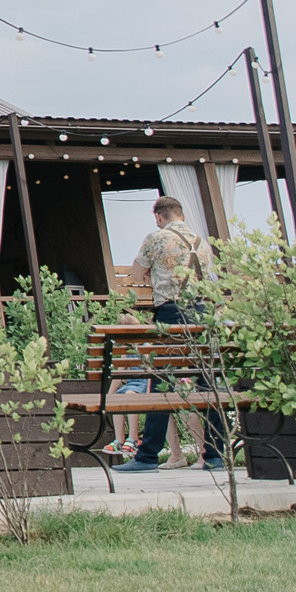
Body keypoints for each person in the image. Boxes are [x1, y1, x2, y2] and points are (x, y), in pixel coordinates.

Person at [113, 194, 226, 475]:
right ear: (182, 215)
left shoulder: (156, 237)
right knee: (207, 382)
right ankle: (215, 454)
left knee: (161, 382)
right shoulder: (201, 243)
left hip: (171, 312)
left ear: (159, 217)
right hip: (201, 313)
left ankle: (148, 455)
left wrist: (154, 278)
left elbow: (137, 274)